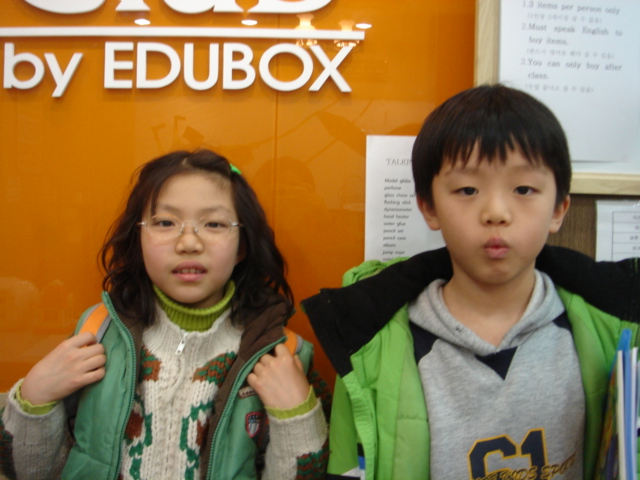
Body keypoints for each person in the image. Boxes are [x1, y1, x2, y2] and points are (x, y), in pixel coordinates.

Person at [302, 84, 640, 480]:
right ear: (429, 207)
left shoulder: (617, 333)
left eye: (524, 189)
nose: (496, 212)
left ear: (558, 209)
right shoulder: (370, 345)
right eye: (467, 190)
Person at [0, 150, 329, 480]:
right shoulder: (97, 331)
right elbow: (29, 473)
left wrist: (297, 418)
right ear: (138, 238)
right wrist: (34, 399)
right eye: (165, 223)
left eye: (214, 224)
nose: (188, 243)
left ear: (242, 245)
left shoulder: (280, 354)